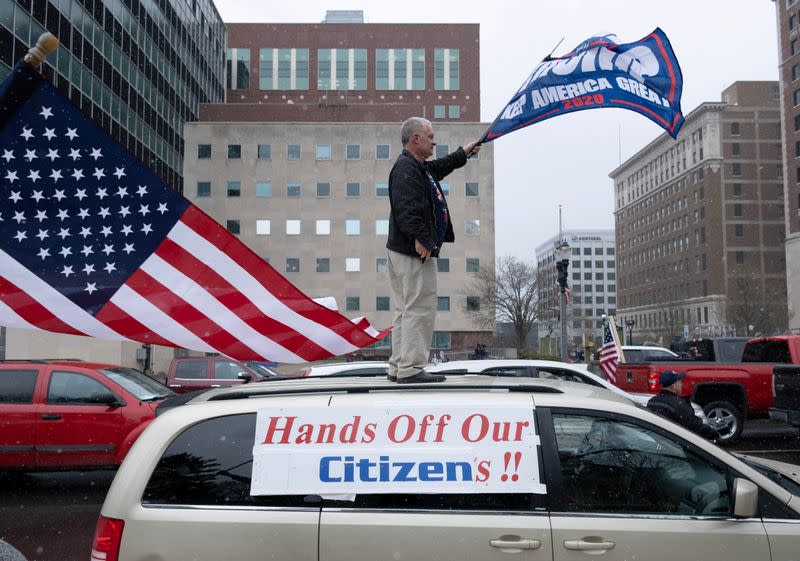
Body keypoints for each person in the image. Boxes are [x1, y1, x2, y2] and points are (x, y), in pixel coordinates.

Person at [386, 117, 481, 383]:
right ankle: (412, 368)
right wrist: (422, 239)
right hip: (412, 251)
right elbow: (407, 209)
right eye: (430, 136)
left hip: (403, 250)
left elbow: (439, 167)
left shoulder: (416, 167)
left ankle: (399, 366)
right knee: (420, 308)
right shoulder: (407, 169)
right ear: (416, 139)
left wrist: (464, 153)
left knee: (406, 309)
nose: (434, 141)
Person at [647, 370, 720, 441]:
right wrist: (714, 434)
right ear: (674, 386)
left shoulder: (652, 401)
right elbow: (694, 426)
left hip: (657, 440)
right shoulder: (678, 404)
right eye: (679, 382)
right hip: (674, 444)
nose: (681, 384)